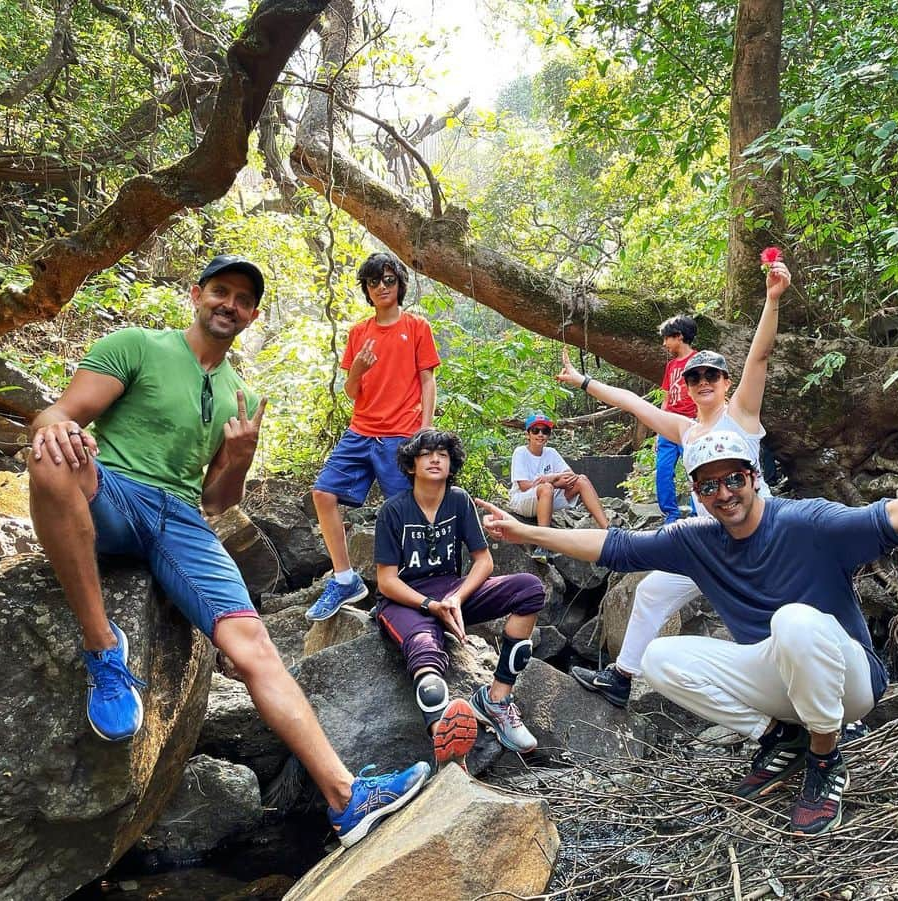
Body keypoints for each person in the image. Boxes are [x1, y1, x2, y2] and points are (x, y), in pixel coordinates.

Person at [27, 254, 429, 848]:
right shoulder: (137, 346)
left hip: (183, 521)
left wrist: (239, 457)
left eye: (242, 300)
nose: (229, 305)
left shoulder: (239, 394)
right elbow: (59, 413)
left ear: (252, 315)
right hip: (112, 491)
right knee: (49, 454)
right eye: (220, 291)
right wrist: (56, 426)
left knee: (254, 646)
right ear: (197, 294)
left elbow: (218, 499)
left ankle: (346, 798)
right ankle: (104, 648)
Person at [475, 426, 898, 837]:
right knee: (658, 657)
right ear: (698, 492)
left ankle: (824, 756)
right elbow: (616, 547)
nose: (724, 493)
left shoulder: (805, 521)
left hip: (852, 683)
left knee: (792, 621)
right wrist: (530, 534)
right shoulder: (697, 538)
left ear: (755, 478)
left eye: (734, 479)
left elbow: (889, 518)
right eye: (710, 484)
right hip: (785, 679)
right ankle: (781, 734)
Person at [563, 260, 791, 707]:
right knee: (651, 590)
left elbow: (760, 356)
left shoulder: (741, 414)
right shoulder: (685, 430)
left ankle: (801, 700)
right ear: (686, 386)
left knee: (775, 617)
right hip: (710, 539)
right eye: (695, 378)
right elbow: (632, 402)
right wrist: (583, 381)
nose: (703, 382)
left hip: (757, 535)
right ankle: (623, 677)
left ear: (725, 382)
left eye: (712, 376)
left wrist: (771, 299)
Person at [375, 429, 546, 762]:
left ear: (451, 463)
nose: (435, 458)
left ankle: (496, 700)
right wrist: (429, 605)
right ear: (411, 465)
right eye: (426, 454)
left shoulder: (458, 500)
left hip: (453, 591)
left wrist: (455, 598)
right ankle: (447, 745)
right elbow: (386, 581)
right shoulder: (393, 511)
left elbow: (484, 561)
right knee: (426, 659)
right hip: (405, 601)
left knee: (529, 588)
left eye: (442, 453)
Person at [307, 252, 441, 622]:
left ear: (399, 284)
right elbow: (351, 391)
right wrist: (359, 370)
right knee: (323, 493)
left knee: (405, 512)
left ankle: (413, 590)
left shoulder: (416, 328)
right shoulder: (358, 333)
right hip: (360, 431)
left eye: (388, 280)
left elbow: (427, 379)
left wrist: (425, 428)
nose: (382, 287)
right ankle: (345, 578)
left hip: (401, 434)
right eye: (373, 282)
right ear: (366, 289)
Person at [508, 411, 610, 562]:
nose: (540, 434)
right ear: (527, 434)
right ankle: (543, 544)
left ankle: (609, 531)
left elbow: (571, 476)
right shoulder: (521, 452)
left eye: (545, 431)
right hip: (523, 500)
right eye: (536, 430)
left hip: (546, 498)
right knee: (546, 488)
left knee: (582, 480)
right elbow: (524, 486)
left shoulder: (551, 452)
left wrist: (551, 478)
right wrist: (553, 482)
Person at [655, 313, 699, 523]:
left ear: (679, 336)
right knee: (663, 470)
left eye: (667, 338)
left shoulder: (698, 361)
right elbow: (665, 396)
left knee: (695, 469)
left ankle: (696, 514)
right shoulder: (671, 366)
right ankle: (670, 515)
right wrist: (659, 428)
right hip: (669, 424)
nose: (665, 344)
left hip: (691, 422)